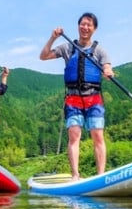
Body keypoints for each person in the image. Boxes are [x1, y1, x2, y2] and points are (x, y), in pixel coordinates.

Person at [40, 12, 114, 181]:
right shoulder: (67, 48)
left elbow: (107, 67)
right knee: (74, 136)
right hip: (73, 100)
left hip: (94, 99)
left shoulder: (100, 51)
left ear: (94, 29)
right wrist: (52, 38)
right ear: (78, 26)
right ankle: (75, 175)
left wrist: (108, 71)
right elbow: (43, 56)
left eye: (89, 25)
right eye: (83, 24)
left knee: (98, 136)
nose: (85, 27)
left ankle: (101, 176)